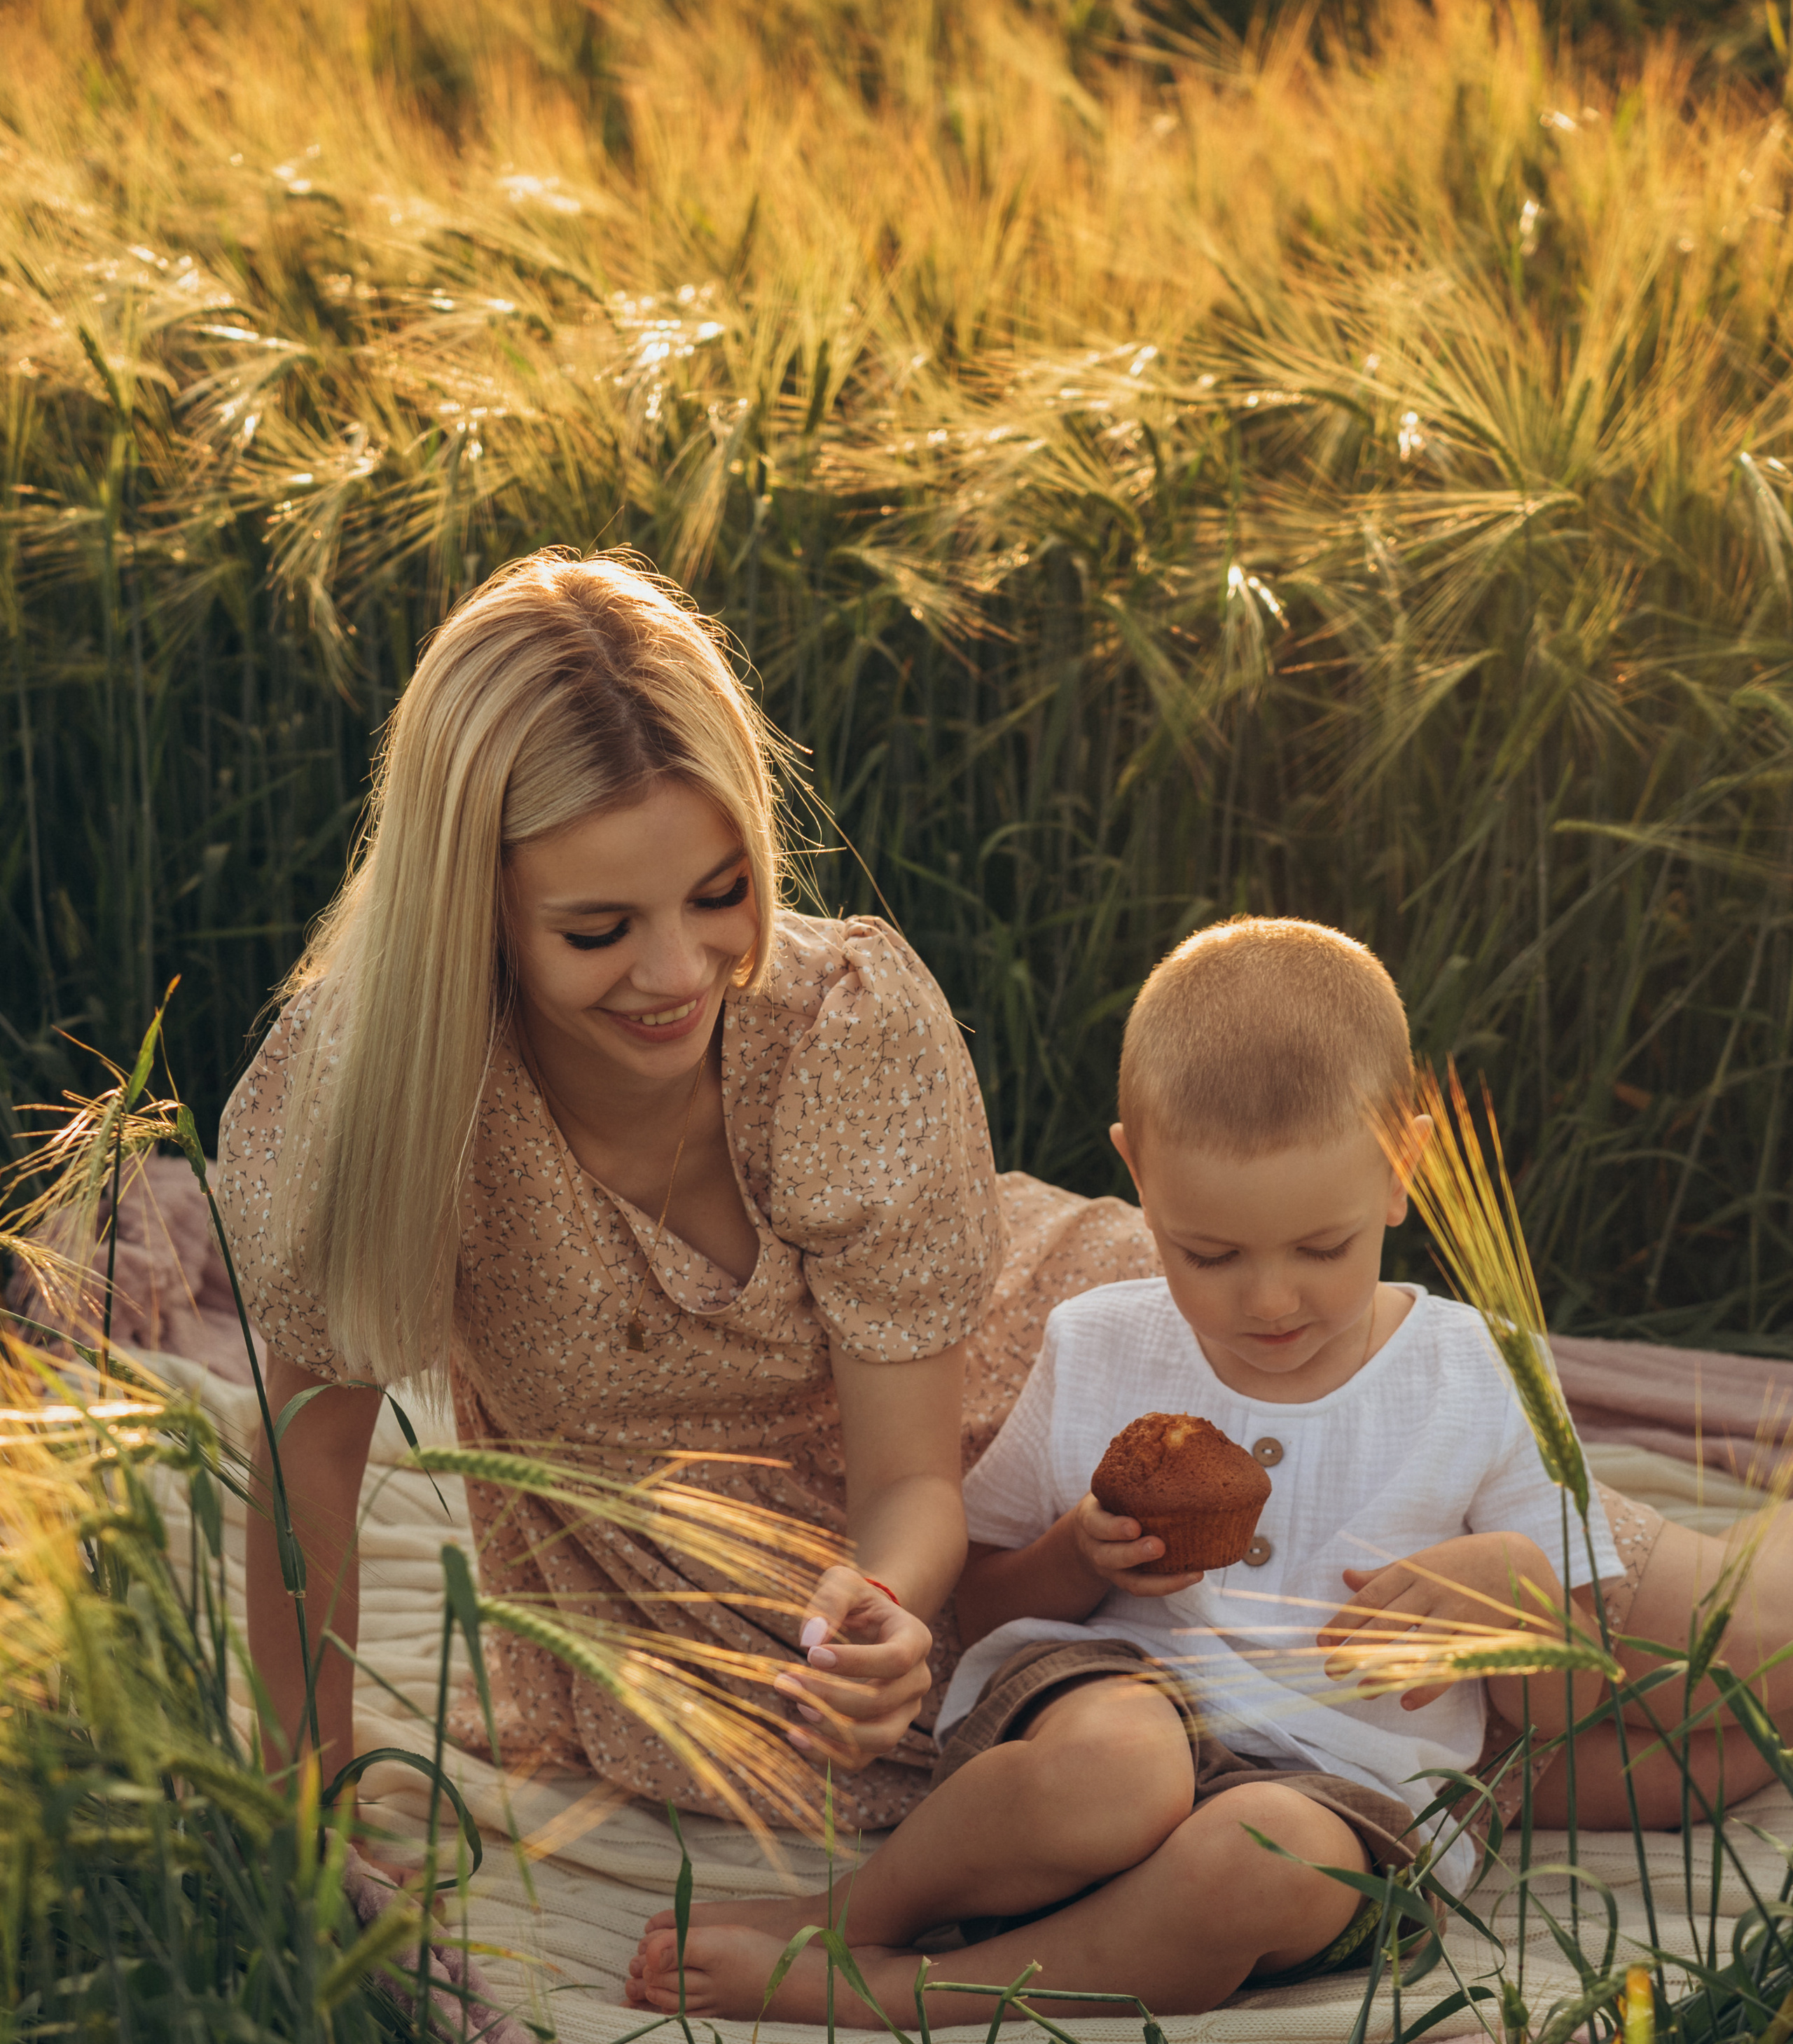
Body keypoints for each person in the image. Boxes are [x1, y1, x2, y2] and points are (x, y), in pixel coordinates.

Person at [625, 919, 1793, 2028]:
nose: (1270, 1299)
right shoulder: (1101, 1344)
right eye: (1211, 1252)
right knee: (1120, 1774)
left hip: (1351, 1785)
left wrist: (1516, 1599)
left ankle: (920, 1997)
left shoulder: (1480, 1374)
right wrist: (1074, 1557)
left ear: (1404, 1168)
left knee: (1252, 1861)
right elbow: (975, 1603)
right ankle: (842, 1922)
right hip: (1122, 1687)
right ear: (1139, 1175)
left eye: (1322, 1248)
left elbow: (1558, 1714)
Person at [216, 549, 1154, 1826]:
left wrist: (889, 1597)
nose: (678, 971)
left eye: (722, 894)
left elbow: (910, 1477)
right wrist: (304, 1808)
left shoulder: (843, 1027)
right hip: (693, 1587)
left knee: (1334, 1514)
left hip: (1001, 1417)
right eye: (597, 929)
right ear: (472, 908)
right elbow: (311, 1455)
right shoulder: (380, 1092)